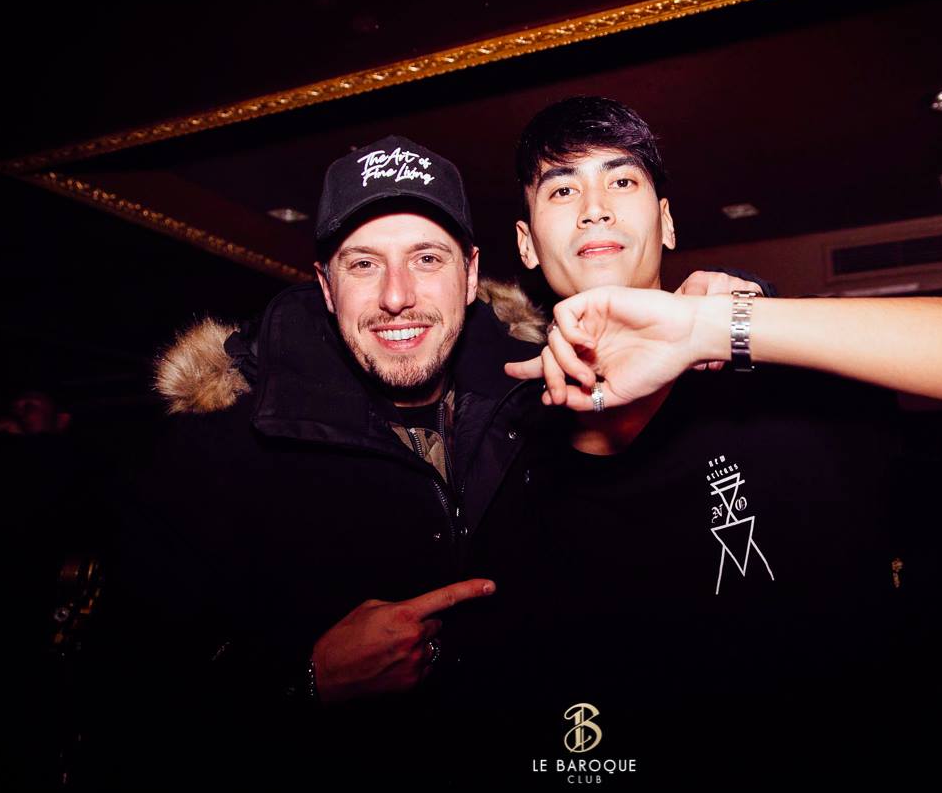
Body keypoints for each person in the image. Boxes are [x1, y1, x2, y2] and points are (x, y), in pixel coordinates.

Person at [459, 96, 942, 776]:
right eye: (563, 189)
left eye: (621, 180)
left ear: (667, 222)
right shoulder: (500, 449)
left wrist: (717, 329)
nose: (595, 207)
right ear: (526, 242)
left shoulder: (781, 376)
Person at [110, 134, 756, 785]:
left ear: (470, 274)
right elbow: (123, 699)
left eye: (426, 258)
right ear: (327, 286)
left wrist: (731, 316)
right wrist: (306, 680)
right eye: (364, 264)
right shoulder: (217, 450)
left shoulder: (542, 402)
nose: (397, 296)